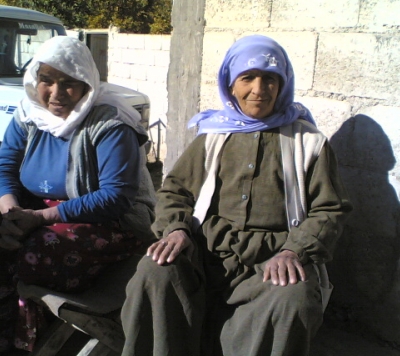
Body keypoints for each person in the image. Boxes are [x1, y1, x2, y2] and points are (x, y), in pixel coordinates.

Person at [121, 35, 352, 356]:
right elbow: (176, 189)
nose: (259, 89)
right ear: (231, 85)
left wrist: (293, 251)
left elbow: (329, 209)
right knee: (154, 273)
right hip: (205, 254)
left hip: (271, 262)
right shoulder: (213, 136)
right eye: (248, 78)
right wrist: (176, 229)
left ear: (282, 85)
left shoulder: (308, 142)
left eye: (270, 79)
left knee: (293, 299)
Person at [0, 36, 156, 354]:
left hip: (109, 219)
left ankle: (23, 338)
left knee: (34, 254)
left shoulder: (111, 123)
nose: (56, 93)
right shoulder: (29, 114)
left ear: (87, 84)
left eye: (69, 83)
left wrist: (39, 219)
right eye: (47, 80)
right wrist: (10, 215)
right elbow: (5, 166)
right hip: (34, 211)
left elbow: (115, 197)